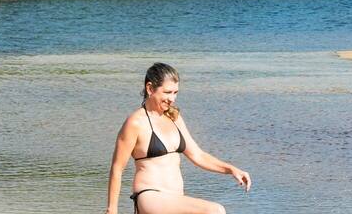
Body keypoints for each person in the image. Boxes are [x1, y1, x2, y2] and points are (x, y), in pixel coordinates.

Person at [106, 63, 252, 214]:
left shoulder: (174, 117)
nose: (172, 99)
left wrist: (231, 169)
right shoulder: (135, 122)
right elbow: (117, 168)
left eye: (175, 92)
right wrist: (112, 209)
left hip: (175, 198)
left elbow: (198, 155)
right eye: (167, 92)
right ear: (150, 89)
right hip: (150, 197)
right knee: (215, 210)